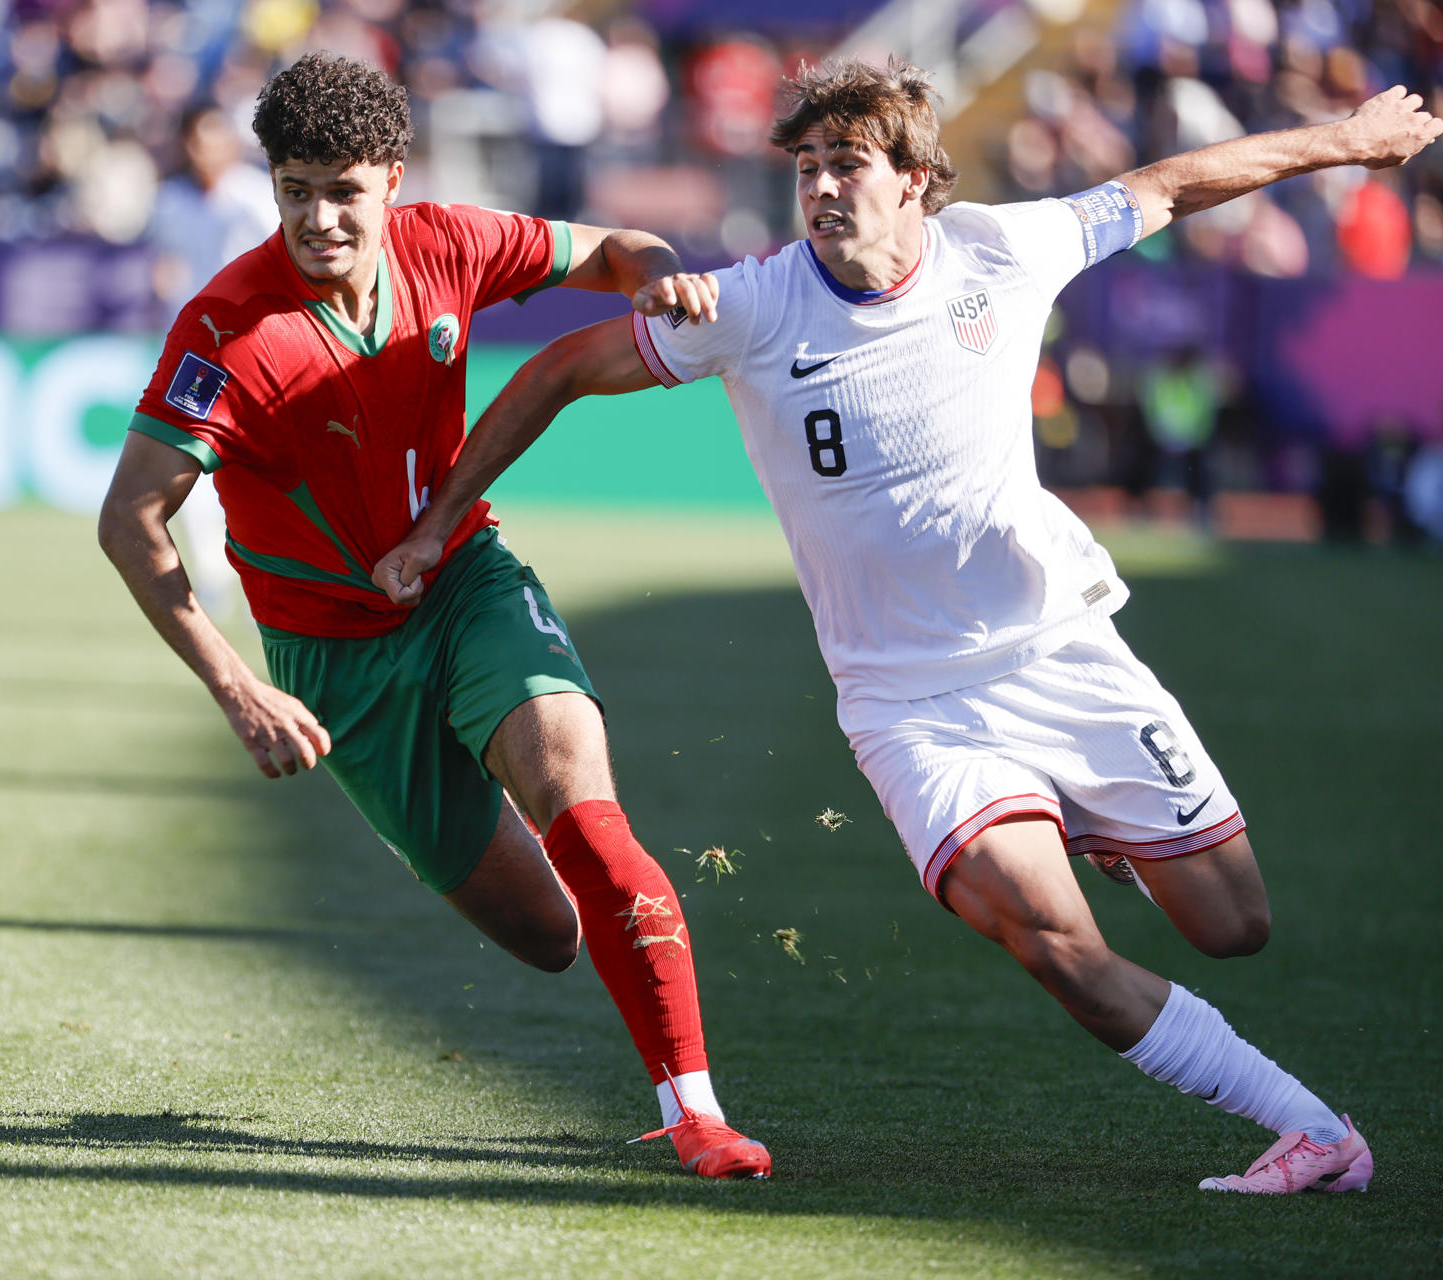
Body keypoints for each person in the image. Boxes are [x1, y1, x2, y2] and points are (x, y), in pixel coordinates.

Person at [376, 57, 1443, 1194]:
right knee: (1057, 945)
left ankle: (1096, 827)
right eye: (805, 167)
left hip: (1061, 651)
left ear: (917, 181)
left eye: (847, 164)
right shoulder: (751, 303)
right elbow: (559, 369)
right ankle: (1314, 1130)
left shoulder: (1001, 249)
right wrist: (439, 520)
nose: (823, 188)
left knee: (1235, 923)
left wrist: (1344, 139)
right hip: (910, 704)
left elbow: (1172, 185)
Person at [99, 53, 768, 1179]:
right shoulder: (226, 329)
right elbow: (132, 518)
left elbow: (611, 251)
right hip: (334, 669)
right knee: (552, 936)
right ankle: (605, 916)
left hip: (465, 582)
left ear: (392, 180)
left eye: (344, 189)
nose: (320, 217)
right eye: (296, 188)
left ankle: (695, 1111)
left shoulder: (449, 242)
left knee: (587, 814)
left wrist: (661, 273)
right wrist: (238, 683)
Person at [146, 103, 282, 627]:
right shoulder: (171, 200)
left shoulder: (254, 195)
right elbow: (165, 267)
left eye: (216, 138)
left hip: (255, 348)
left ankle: (265, 577)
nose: (208, 149)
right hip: (197, 357)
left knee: (258, 468)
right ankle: (213, 577)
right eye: (198, 139)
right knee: (191, 467)